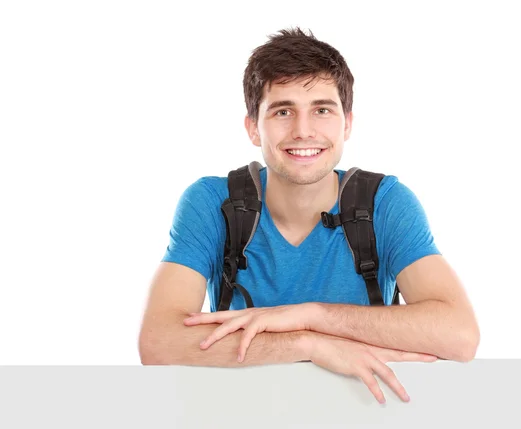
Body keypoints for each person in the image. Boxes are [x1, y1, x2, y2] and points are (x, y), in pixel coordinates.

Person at [138, 27, 480, 404]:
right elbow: (158, 342)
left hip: (364, 410)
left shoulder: (385, 202)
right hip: (245, 409)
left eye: (321, 110)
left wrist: (310, 315)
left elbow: (459, 335)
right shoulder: (212, 202)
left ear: (347, 123)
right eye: (283, 111)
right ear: (253, 127)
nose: (303, 131)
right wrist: (308, 344)